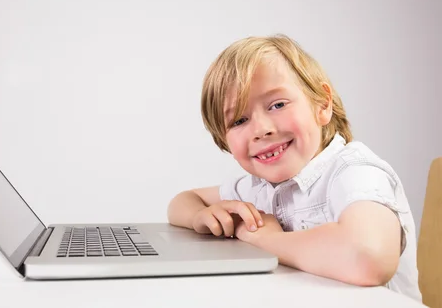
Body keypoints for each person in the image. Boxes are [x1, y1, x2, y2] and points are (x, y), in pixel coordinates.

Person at [167, 34, 421, 302]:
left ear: (322, 104)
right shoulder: (257, 186)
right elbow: (182, 201)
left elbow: (369, 257)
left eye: (277, 105)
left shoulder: (354, 171)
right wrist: (200, 215)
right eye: (239, 120)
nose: (261, 130)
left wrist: (262, 240)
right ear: (224, 140)